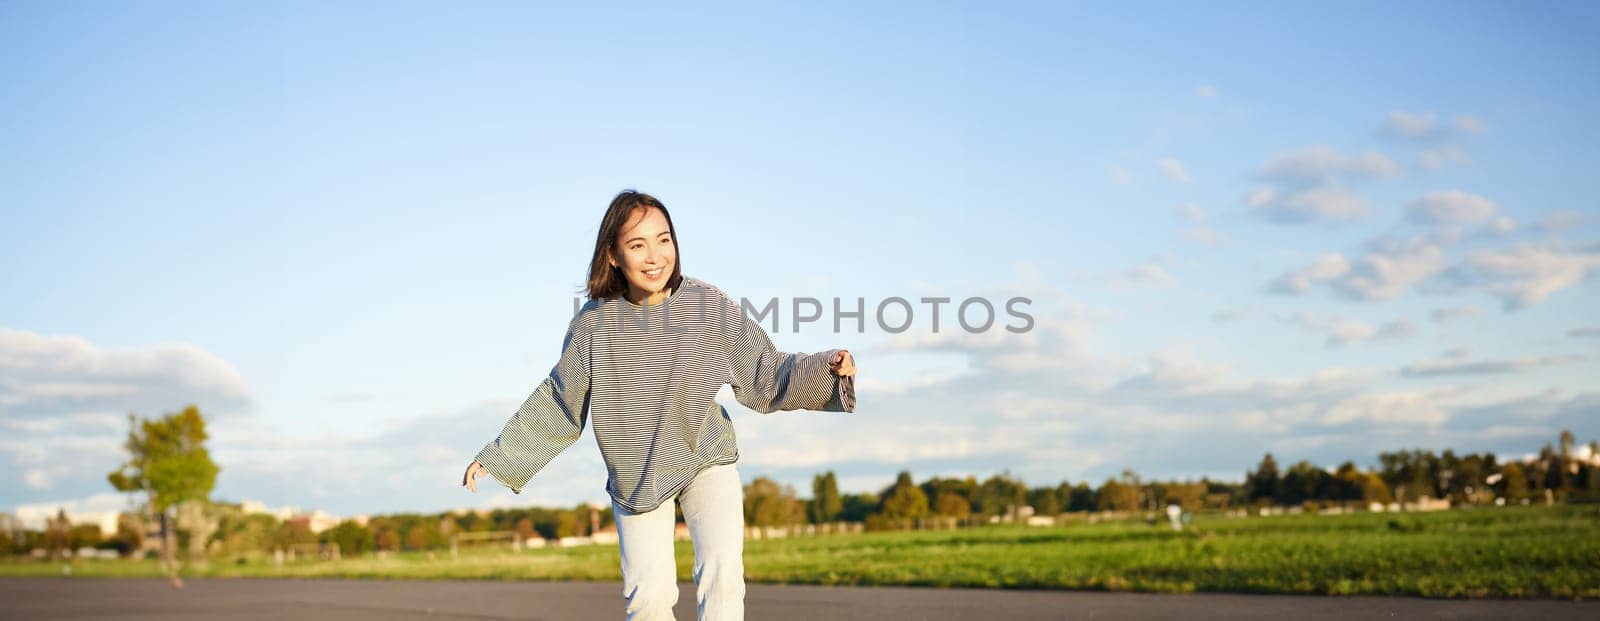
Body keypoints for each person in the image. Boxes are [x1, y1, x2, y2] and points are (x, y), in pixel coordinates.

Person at [461, 190, 856, 621]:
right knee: (647, 600)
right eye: (637, 245)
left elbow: (765, 372)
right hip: (637, 477)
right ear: (612, 255)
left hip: (706, 456)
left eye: (663, 239)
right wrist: (499, 457)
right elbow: (561, 401)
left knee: (723, 579)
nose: (654, 257)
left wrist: (827, 368)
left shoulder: (707, 306)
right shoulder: (594, 325)